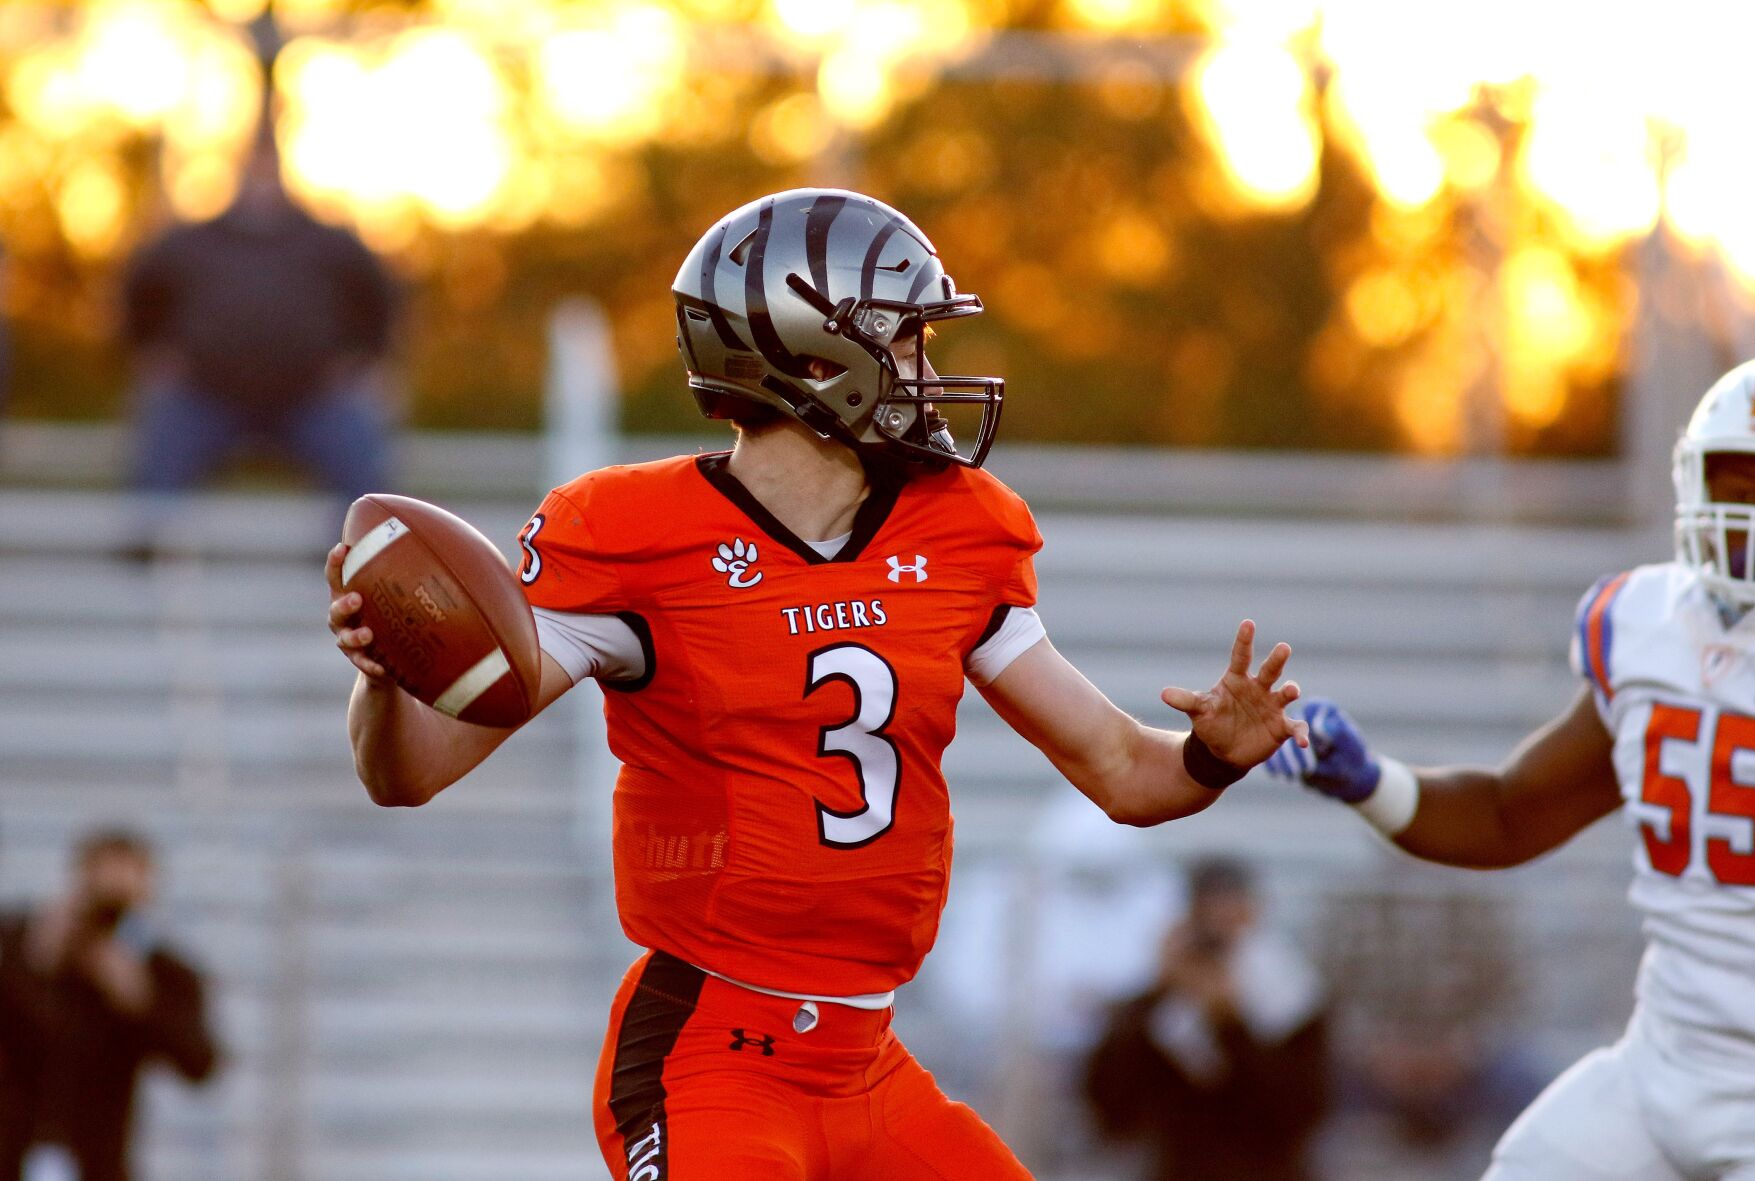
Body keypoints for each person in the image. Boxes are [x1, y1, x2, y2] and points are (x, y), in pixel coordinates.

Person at [327, 188, 1310, 1180]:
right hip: (713, 1051)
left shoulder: (958, 527)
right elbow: (409, 774)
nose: (931, 372)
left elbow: (1121, 768)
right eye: (910, 342)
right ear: (811, 360)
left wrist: (1211, 752)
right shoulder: (635, 534)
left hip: (865, 1064)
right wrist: (389, 674)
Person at [1265, 359, 1755, 1181]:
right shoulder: (1642, 625)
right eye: (1735, 478)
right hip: (1661, 1065)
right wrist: (1368, 779)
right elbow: (1509, 812)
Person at [122, 124, 396, 519]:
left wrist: (364, 360)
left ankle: (367, 563)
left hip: (310, 399)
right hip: (206, 396)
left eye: (270, 168)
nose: (262, 179)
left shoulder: (330, 244)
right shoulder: (189, 244)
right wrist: (151, 354)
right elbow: (139, 293)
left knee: (358, 452)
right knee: (160, 445)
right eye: (254, 167)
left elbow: (380, 299)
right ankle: (140, 558)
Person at [1084, 856, 1330, 1181]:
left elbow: (1293, 1112)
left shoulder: (1295, 1000)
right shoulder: (1160, 1010)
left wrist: (1230, 1023)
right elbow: (1111, 1105)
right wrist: (1157, 994)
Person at [0, 829, 220, 1181]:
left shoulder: (160, 972)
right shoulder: (20, 943)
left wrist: (139, 999)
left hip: (100, 1157)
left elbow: (200, 1063)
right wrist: (34, 962)